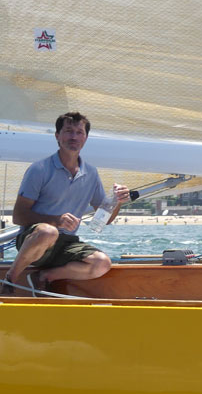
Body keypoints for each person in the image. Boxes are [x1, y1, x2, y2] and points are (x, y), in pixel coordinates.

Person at [2, 111, 130, 295]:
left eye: (79, 132)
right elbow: (19, 216)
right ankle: (10, 279)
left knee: (102, 263)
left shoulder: (91, 174)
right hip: (34, 241)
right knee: (48, 231)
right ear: (57, 136)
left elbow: (105, 220)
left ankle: (45, 277)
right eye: (69, 131)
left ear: (85, 138)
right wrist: (56, 220)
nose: (74, 136)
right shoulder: (39, 169)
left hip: (65, 243)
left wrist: (117, 201)